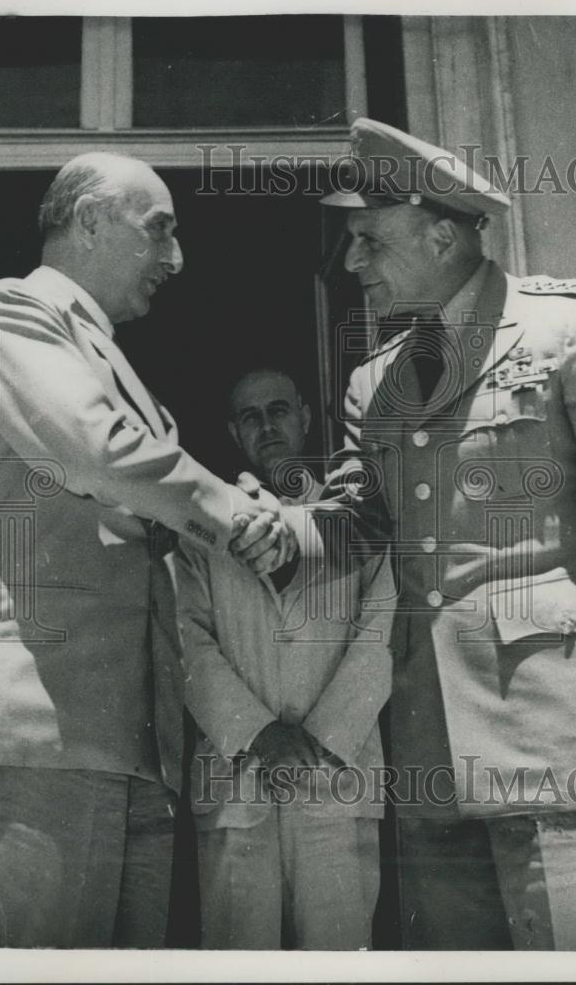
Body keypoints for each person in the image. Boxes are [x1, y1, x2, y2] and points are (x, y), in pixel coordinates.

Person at [0, 152, 291, 948]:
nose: (176, 260)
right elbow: (96, 452)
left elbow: (153, 504)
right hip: (34, 736)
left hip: (131, 751)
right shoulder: (11, 311)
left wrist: (262, 514)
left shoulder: (108, 357)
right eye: (159, 230)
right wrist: (233, 513)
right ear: (91, 221)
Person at [312, 117, 576, 950]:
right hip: (427, 739)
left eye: (368, 240)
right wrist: (255, 522)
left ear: (441, 233)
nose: (353, 265)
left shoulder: (564, 334)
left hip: (552, 721)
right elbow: (357, 528)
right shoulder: (372, 385)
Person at [175, 368, 395, 949]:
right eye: (251, 416)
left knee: (339, 955)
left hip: (337, 778)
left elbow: (381, 635)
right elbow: (188, 643)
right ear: (233, 430)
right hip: (238, 784)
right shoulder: (201, 529)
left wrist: (321, 742)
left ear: (305, 417)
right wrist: (259, 735)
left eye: (279, 409)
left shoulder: (353, 524)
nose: (267, 424)